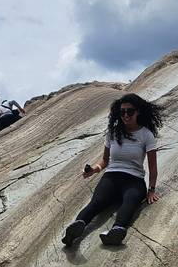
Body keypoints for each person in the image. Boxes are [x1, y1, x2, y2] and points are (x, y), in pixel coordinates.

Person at [62, 93, 163, 247]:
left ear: (138, 112)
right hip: (111, 177)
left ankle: (117, 231)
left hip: (134, 180)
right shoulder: (113, 133)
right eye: (122, 112)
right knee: (96, 202)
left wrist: (152, 190)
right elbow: (104, 160)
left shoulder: (146, 135)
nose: (126, 115)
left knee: (130, 202)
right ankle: (77, 227)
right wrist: (94, 170)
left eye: (130, 111)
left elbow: (152, 166)